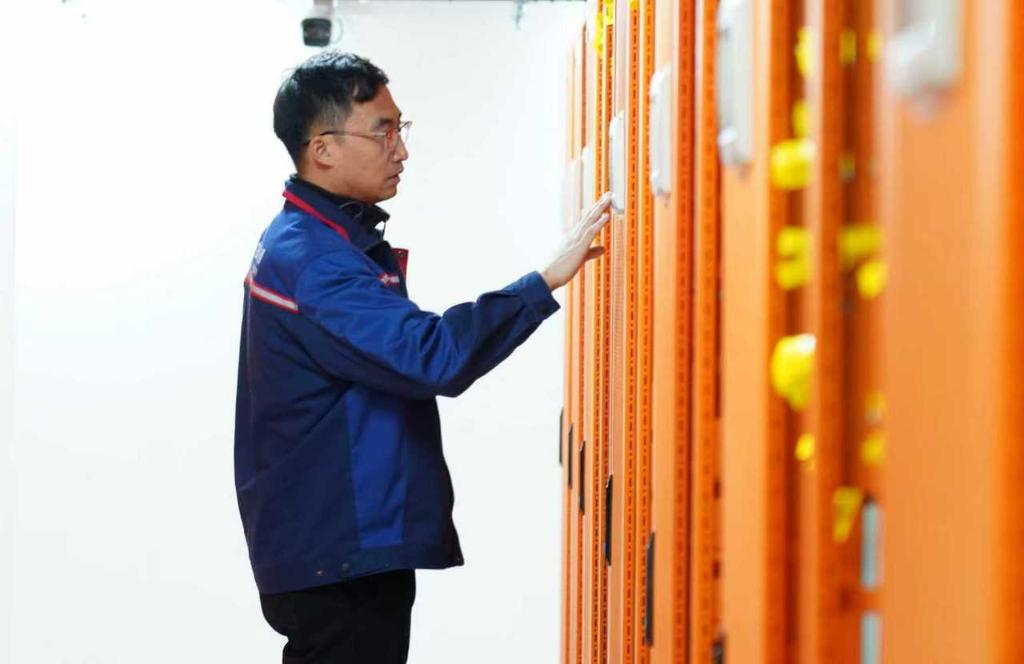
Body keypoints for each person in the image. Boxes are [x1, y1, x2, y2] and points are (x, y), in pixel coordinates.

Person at [234, 50, 612, 663]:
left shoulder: (316, 241)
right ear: (322, 149)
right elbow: (431, 356)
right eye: (383, 131)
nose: (401, 149)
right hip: (340, 553)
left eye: (400, 128)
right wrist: (542, 282)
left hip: (332, 545)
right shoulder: (312, 261)